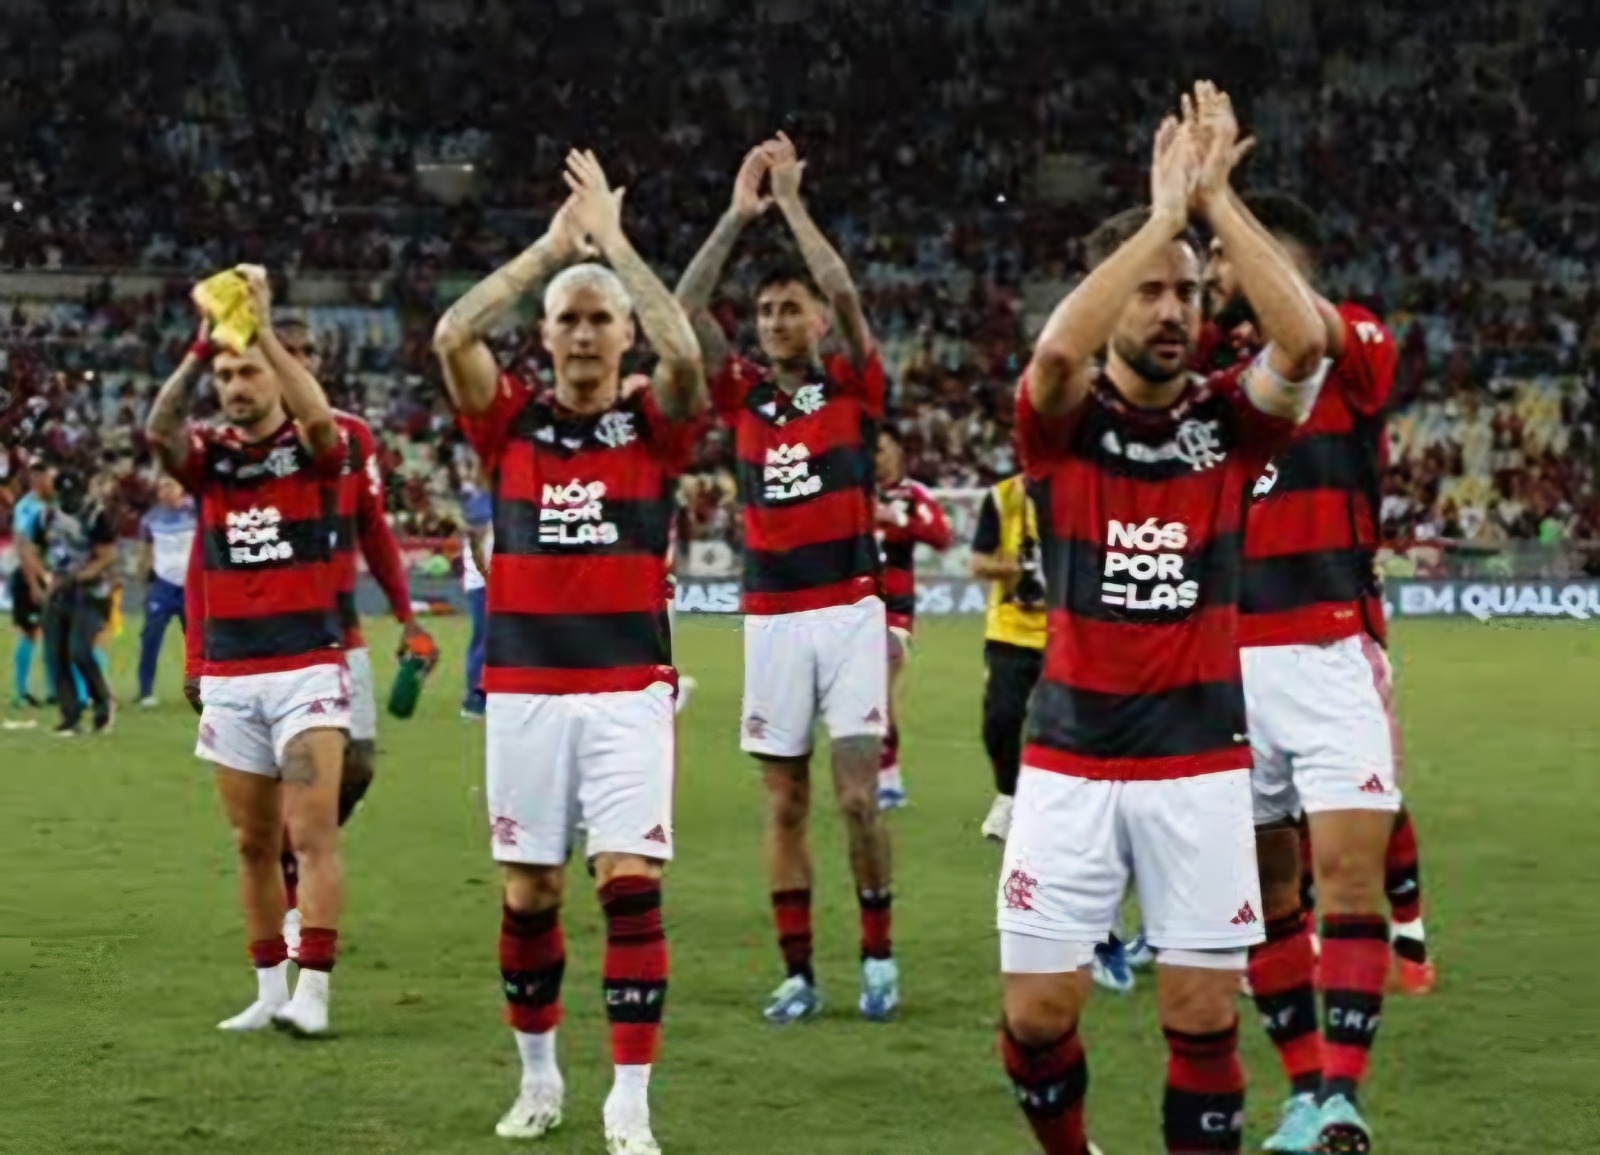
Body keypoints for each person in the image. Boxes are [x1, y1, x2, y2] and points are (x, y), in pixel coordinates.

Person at [996, 85, 1329, 1155]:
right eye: (1148, 293)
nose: (1172, 311)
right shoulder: (1062, 428)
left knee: (1201, 1017)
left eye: (1186, 294)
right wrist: (1155, 220)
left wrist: (1212, 201)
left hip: (1195, 767)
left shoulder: (1230, 427)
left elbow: (1305, 341)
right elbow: (1053, 361)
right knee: (1036, 1018)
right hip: (1070, 761)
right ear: (1108, 305)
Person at [433, 150, 705, 1155]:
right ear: (545, 338)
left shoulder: (653, 423)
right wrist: (550, 251)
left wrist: (617, 250)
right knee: (531, 891)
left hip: (628, 684)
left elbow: (686, 358)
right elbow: (452, 333)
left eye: (600, 318)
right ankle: (540, 1079)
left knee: (628, 882)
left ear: (622, 332)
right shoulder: (509, 425)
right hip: (524, 688)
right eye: (569, 319)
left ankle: (628, 1099)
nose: (586, 331)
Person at [1206, 189, 1427, 1153]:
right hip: (1225, 659)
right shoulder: (1214, 387)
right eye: (1221, 264)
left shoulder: (1356, 348)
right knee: (1265, 889)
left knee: (1347, 877)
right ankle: (1302, 1092)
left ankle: (1342, 1094)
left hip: (1331, 650)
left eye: (1249, 262)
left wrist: (1220, 200)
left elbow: (1310, 327)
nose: (1229, 277)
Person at [677, 133, 897, 1026]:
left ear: (814, 322)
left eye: (788, 308)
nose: (774, 321)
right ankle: (800, 971)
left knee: (854, 796)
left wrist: (796, 207)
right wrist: (738, 214)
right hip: (770, 616)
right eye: (765, 310)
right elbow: (682, 312)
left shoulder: (853, 382)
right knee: (785, 802)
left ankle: (879, 959)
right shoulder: (740, 395)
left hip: (848, 610)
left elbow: (845, 291)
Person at [147, 266, 351, 1037]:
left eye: (247, 371)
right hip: (234, 676)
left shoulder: (311, 453)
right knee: (252, 840)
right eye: (227, 375)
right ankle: (269, 989)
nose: (235, 385)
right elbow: (159, 431)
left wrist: (259, 325)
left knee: (311, 832)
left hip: (303, 670)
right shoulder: (210, 460)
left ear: (277, 373)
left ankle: (316, 993)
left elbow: (322, 418)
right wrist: (203, 348)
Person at [273, 317, 432, 953]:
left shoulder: (353, 437)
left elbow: (375, 530)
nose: (302, 361)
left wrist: (408, 616)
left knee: (358, 766)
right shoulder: (247, 444)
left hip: (344, 632)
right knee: (302, 768)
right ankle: (293, 896)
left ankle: (303, 847)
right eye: (289, 351)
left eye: (308, 350)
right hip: (279, 637)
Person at [967, 459, 1047, 842]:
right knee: (1000, 720)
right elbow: (978, 562)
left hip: (1068, 633)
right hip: (1010, 631)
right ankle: (1008, 794)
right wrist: (1019, 568)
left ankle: (1056, 809)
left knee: (1067, 727)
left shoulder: (1083, 491)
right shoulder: (1002, 497)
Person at [873, 426, 953, 808]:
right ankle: (879, 775)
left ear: (898, 455)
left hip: (894, 609)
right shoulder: (848, 491)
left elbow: (941, 536)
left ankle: (889, 779)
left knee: (881, 675)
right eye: (872, 451)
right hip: (848, 605)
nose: (878, 458)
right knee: (865, 698)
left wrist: (897, 519)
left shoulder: (913, 494)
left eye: (884, 450)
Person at [37, 469, 119, 735]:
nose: (68, 499)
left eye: (73, 493)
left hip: (90, 591)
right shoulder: (48, 515)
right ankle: (69, 715)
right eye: (64, 493)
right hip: (58, 587)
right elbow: (39, 547)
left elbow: (107, 556)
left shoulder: (95, 514)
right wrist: (45, 577)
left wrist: (78, 577)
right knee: (55, 654)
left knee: (80, 651)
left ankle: (102, 703)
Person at [135, 476, 197, 706]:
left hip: (190, 586)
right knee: (150, 637)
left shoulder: (195, 512)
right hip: (163, 584)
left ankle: (201, 688)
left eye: (171, 485)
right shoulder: (151, 518)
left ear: (182, 488)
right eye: (162, 487)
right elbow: (144, 550)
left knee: (196, 641)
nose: (166, 491)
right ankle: (145, 691)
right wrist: (142, 576)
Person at [9, 460, 56, 709]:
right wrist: (35, 583)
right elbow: (23, 547)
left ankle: (53, 691)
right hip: (32, 576)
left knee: (54, 633)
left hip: (56, 576)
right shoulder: (26, 507)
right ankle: (22, 692)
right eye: (46, 475)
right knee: (30, 631)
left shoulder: (56, 503)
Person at [459, 472, 493, 719]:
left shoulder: (489, 501)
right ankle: (475, 696)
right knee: (484, 637)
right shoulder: (481, 503)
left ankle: (483, 692)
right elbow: (477, 543)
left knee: (489, 638)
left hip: (488, 578)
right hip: (482, 581)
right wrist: (488, 574)